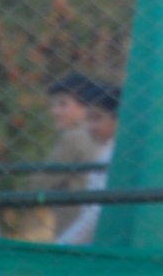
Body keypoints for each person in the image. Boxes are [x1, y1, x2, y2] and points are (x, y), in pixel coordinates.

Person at [35, 73, 101, 239]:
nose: (55, 111)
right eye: (53, 105)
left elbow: (39, 183)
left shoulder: (74, 138)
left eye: (63, 104)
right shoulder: (101, 135)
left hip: (74, 230)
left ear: (85, 106)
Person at [55, 80, 117, 246]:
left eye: (97, 118)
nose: (90, 127)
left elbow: (95, 215)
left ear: (117, 118)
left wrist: (62, 245)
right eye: (88, 119)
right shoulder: (107, 150)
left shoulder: (111, 154)